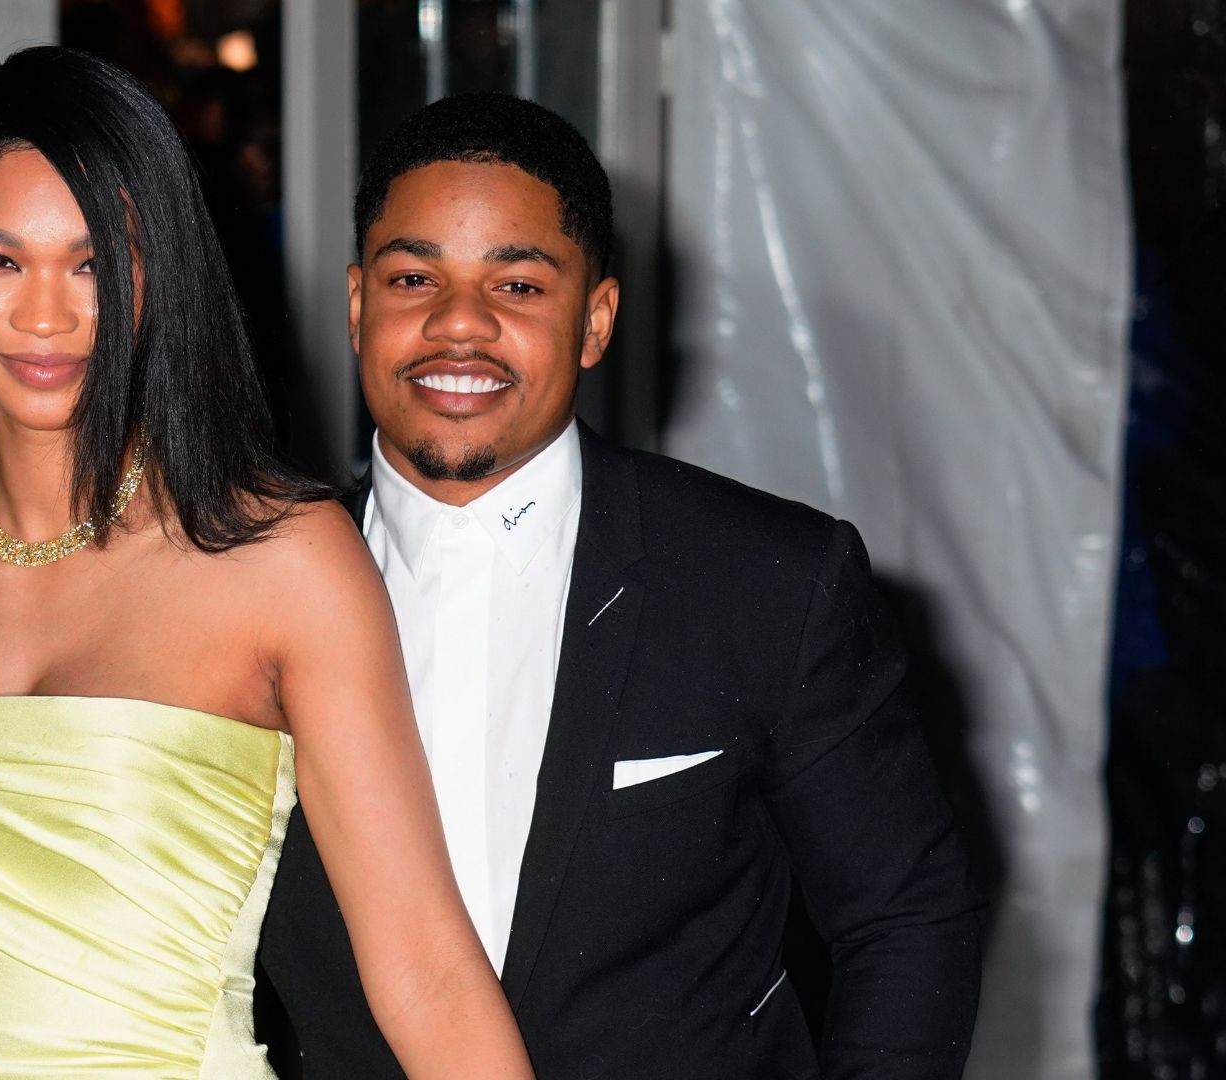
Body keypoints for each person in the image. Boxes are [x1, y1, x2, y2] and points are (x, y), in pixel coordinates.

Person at [0, 48, 534, 1080]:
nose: (45, 315)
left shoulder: (285, 561)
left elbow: (427, 976)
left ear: (153, 273)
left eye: (92, 263)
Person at [256, 92, 984, 1079]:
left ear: (595, 319)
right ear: (356, 306)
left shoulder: (770, 581)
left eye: (517, 286)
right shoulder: (246, 593)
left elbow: (908, 915)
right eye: (412, 277)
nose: (457, 325)